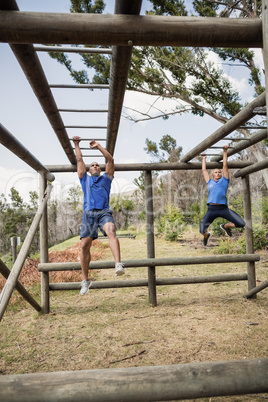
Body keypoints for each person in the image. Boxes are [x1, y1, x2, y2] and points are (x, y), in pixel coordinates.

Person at [73, 136, 125, 295]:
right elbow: (80, 159)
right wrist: (76, 144)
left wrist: (98, 146)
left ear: (100, 170)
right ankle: (85, 281)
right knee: (84, 246)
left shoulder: (106, 179)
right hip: (89, 214)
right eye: (92, 165)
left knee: (111, 231)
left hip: (104, 212)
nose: (95, 166)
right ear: (89, 171)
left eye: (97, 165)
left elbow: (110, 160)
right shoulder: (85, 179)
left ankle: (118, 264)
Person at [200, 145, 245, 246]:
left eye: (219, 172)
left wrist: (225, 151)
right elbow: (204, 170)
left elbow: (225, 165)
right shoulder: (209, 182)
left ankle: (225, 226)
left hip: (223, 209)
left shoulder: (225, 181)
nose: (218, 173)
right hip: (211, 209)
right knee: (201, 230)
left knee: (241, 223)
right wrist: (204, 158)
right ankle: (206, 235)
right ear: (213, 175)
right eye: (216, 172)